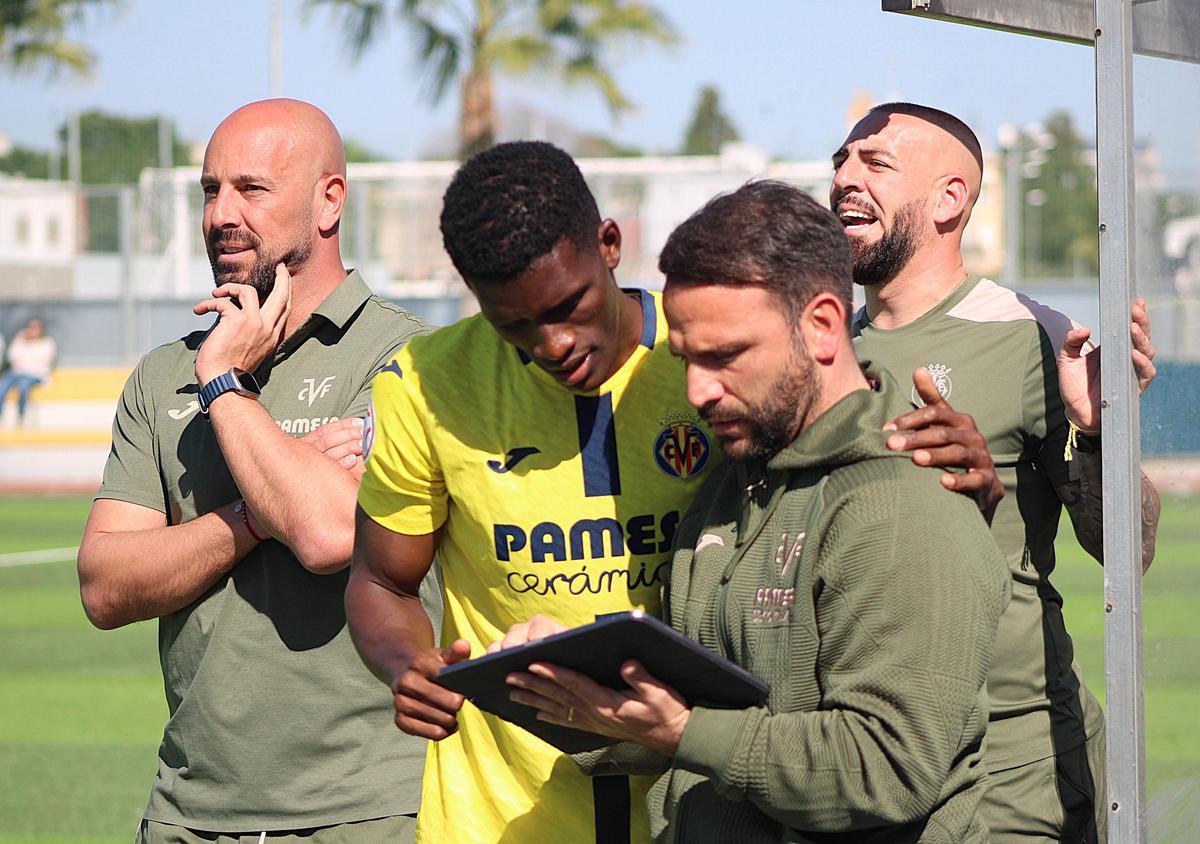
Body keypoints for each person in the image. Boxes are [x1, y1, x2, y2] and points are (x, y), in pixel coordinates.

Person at [504, 181, 1012, 843]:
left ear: (824, 325)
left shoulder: (904, 505)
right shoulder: (731, 486)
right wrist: (585, 689)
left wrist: (683, 731)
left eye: (725, 357)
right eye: (686, 359)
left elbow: (886, 768)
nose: (697, 390)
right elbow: (724, 717)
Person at [76, 99, 432, 842]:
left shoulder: (408, 358)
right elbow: (105, 586)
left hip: (367, 812)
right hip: (189, 814)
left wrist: (226, 391)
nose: (220, 214)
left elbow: (331, 530)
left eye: (251, 189)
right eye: (210, 190)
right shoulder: (165, 373)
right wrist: (253, 513)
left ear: (329, 200)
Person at [349, 141, 720, 843]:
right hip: (497, 821)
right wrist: (408, 665)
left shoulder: (709, 350)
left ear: (609, 244)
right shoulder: (425, 384)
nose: (551, 343)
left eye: (568, 305)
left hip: (701, 809)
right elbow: (380, 580)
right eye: (513, 324)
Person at [830, 102, 1161, 843]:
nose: (846, 179)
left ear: (950, 199)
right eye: (841, 164)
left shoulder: (1029, 333)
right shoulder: (826, 345)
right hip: (864, 756)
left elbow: (1125, 553)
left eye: (874, 163)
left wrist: (1100, 433)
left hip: (1010, 768)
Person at [0, 318, 57, 424]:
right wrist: (23, 341)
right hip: (17, 373)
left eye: (36, 328)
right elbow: (12, 356)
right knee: (2, 386)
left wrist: (28, 352)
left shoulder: (47, 343)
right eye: (31, 327)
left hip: (35, 374)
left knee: (23, 386)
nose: (33, 330)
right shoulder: (20, 340)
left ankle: (21, 416)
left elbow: (43, 360)